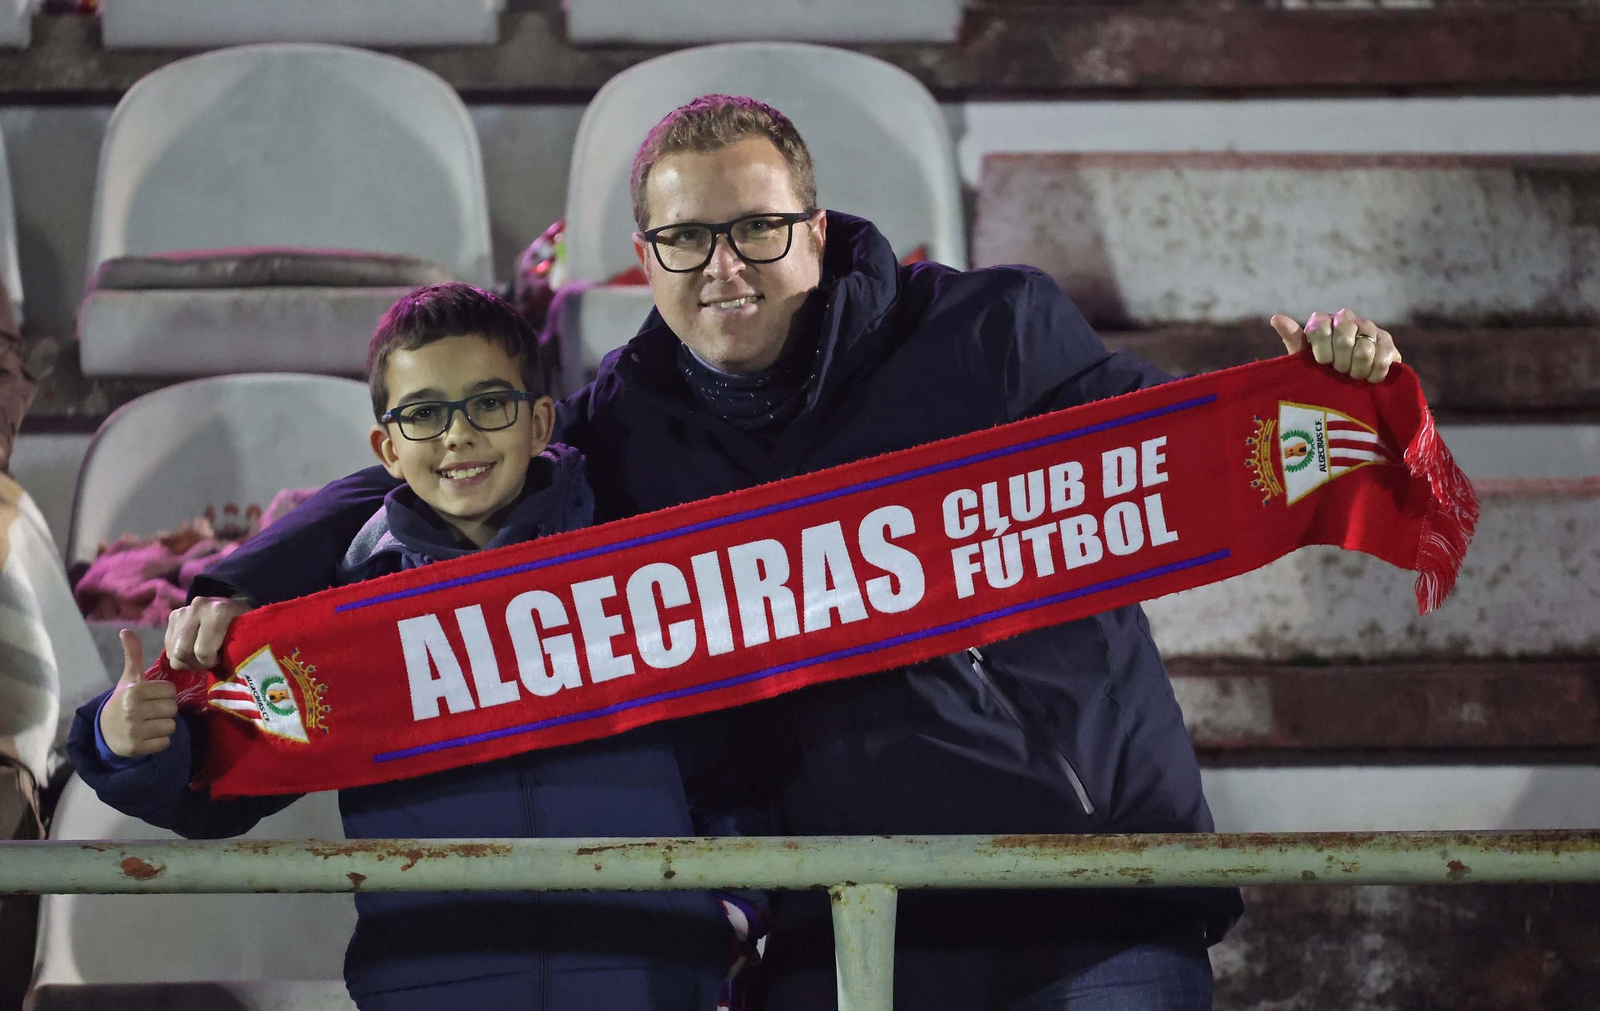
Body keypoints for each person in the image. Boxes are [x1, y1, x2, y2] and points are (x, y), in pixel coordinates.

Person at [179, 96, 1403, 1010]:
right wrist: (242, 580)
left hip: (1087, 898)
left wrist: (1331, 399)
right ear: (643, 258)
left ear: (816, 229)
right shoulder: (621, 420)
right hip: (838, 913)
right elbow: (438, 458)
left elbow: (1174, 451)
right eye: (687, 240)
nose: (725, 268)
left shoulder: (993, 333)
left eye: (758, 230)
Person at [67, 283, 733, 1011]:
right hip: (435, 986)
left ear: (541, 421)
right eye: (423, 413)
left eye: (489, 404)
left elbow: (735, 747)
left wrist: (738, 904)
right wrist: (123, 741)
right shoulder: (347, 616)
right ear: (386, 446)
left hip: (651, 980)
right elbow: (221, 784)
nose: (459, 435)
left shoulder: (632, 574)